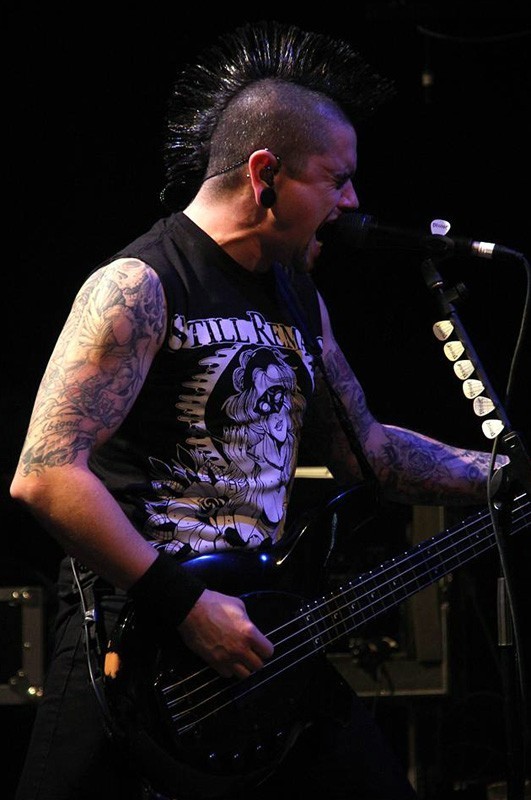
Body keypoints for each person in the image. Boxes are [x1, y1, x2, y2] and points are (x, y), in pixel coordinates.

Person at [10, 20, 509, 800]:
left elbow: (369, 454)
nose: (351, 202)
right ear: (264, 172)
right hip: (137, 634)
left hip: (262, 631)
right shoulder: (140, 283)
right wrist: (184, 604)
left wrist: (506, 473)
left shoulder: (299, 296)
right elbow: (45, 476)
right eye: (336, 178)